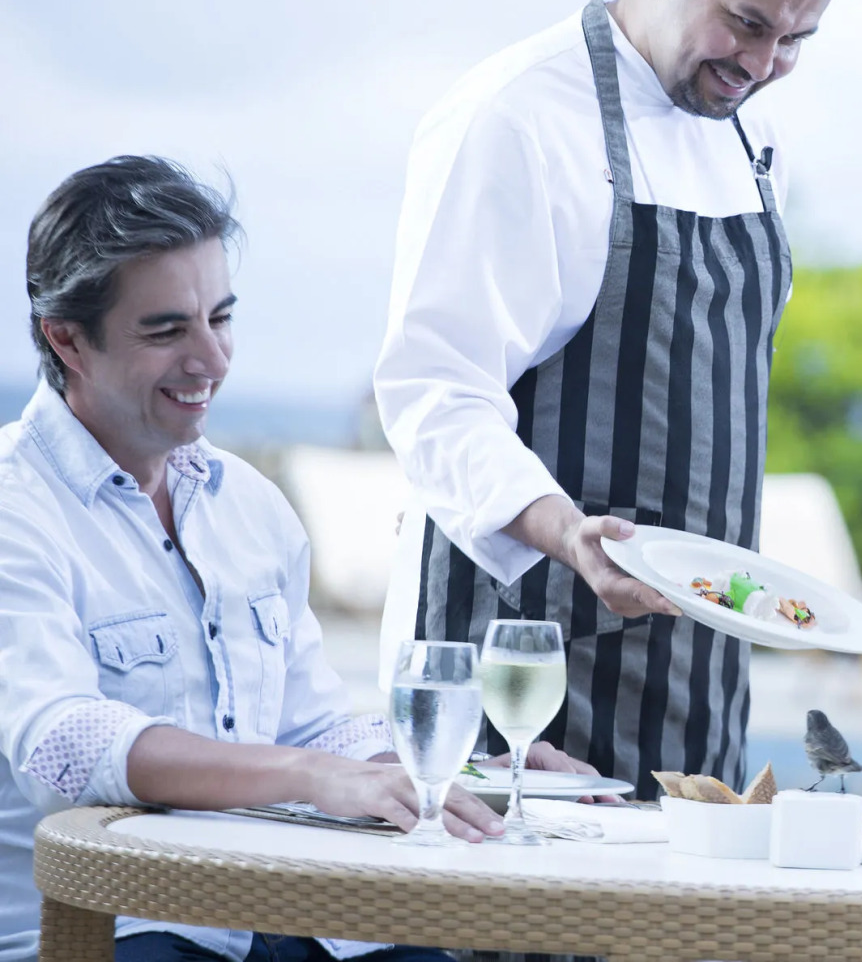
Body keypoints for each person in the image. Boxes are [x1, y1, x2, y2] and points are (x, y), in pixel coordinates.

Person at [373, 0, 850, 798]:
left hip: (697, 666)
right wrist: (571, 537)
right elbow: (435, 392)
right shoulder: (514, 117)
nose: (763, 62)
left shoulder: (754, 136)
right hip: (521, 654)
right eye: (747, 24)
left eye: (795, 41)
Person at [0, 156, 534, 962]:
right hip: (107, 926)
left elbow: (312, 724)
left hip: (279, 911)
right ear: (66, 338)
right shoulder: (16, 507)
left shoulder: (250, 506)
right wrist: (312, 777)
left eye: (220, 318)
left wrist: (460, 773)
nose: (211, 360)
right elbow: (64, 745)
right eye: (166, 330)